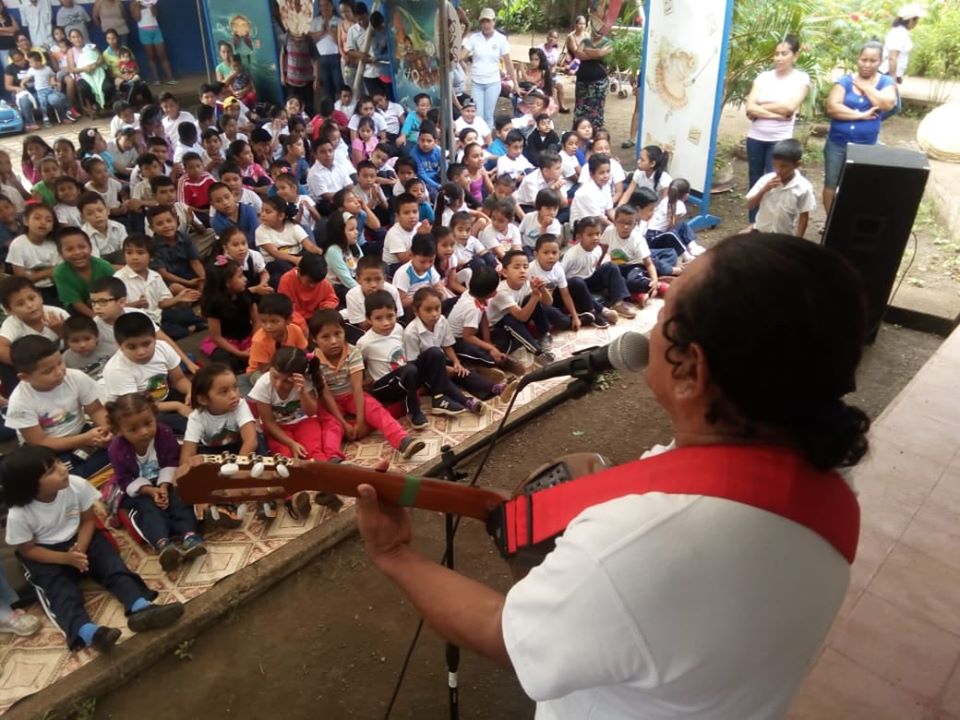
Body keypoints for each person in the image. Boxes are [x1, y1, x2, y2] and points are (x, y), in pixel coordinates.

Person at [355, 232, 869, 719]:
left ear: (691, 371)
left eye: (663, 316)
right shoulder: (828, 488)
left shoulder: (637, 545)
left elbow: (502, 630)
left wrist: (393, 554)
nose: (644, 333)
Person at [3, 445, 185, 652]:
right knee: (60, 590)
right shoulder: (19, 514)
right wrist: (66, 559)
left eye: (58, 463)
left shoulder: (76, 485)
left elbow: (89, 521)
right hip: (45, 553)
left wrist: (79, 549)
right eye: (51, 471)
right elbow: (28, 550)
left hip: (80, 537)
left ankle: (140, 606)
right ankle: (88, 632)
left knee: (112, 564)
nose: (62, 469)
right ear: (29, 486)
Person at [309, 309, 426, 461]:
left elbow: (357, 388)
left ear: (344, 332)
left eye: (337, 334)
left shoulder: (353, 352)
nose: (333, 341)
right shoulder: (313, 361)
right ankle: (332, 456)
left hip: (351, 394)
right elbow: (325, 394)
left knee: (376, 410)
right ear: (314, 339)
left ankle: (402, 440)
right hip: (328, 401)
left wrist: (360, 421)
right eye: (325, 336)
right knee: (331, 424)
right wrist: (344, 424)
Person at [106, 393, 206, 571]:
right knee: (147, 509)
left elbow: (171, 461)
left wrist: (164, 486)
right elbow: (124, 479)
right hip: (139, 488)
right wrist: (150, 491)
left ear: (154, 416)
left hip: (165, 479)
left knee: (181, 497)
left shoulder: (164, 432)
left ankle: (189, 535)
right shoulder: (116, 448)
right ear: (119, 430)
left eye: (148, 423)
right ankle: (162, 544)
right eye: (133, 429)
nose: (144, 432)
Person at [6, 334, 112, 477]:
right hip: (48, 449)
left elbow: (96, 410)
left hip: (83, 434)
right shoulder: (20, 401)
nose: (59, 371)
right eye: (48, 371)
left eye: (60, 362)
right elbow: (39, 442)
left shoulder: (74, 377)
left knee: (119, 446)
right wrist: (86, 439)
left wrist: (107, 431)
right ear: (25, 377)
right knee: (60, 475)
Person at [823, 41, 898, 214]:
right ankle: (830, 223)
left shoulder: (885, 81)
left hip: (865, 145)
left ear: (880, 62)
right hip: (837, 143)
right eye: (864, 59)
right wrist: (861, 115)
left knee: (858, 185)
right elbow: (832, 107)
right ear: (858, 59)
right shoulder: (845, 80)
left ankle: (849, 222)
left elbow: (887, 104)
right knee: (831, 182)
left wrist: (866, 87)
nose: (867, 64)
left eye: (873, 61)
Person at [744, 35, 810, 223]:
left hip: (779, 139)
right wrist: (776, 112)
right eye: (776, 54)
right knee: (756, 179)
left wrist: (762, 108)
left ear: (795, 56)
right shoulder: (763, 77)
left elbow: (790, 108)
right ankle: (753, 223)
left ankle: (771, 222)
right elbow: (750, 107)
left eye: (784, 53)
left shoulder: (801, 78)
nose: (779, 58)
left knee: (774, 179)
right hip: (756, 137)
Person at [746, 138, 816, 238]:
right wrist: (763, 190)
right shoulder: (765, 180)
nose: (778, 170)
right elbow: (749, 205)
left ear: (797, 164)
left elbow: (804, 217)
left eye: (784, 166)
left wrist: (798, 240)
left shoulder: (804, 187)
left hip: (784, 236)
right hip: (760, 232)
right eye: (774, 165)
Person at [462, 8, 518, 130]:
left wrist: (516, 84)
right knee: (477, 115)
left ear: (493, 21)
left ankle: (486, 143)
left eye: (488, 21)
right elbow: (462, 55)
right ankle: (477, 143)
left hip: (493, 82)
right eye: (483, 21)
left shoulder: (501, 39)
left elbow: (508, 63)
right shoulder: (474, 38)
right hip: (477, 82)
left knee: (488, 115)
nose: (485, 24)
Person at [571, 19, 611, 129]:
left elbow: (601, 53)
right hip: (582, 80)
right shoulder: (585, 41)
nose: (597, 31)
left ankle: (595, 132)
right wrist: (596, 53)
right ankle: (578, 131)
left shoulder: (608, 43)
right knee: (580, 107)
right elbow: (578, 54)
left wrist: (587, 51)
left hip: (599, 82)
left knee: (596, 108)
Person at [130, 0, 175, 84]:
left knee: (162, 55)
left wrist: (151, 5)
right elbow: (137, 18)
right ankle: (156, 79)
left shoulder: (151, 1)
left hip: (156, 30)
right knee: (150, 56)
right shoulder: (133, 4)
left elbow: (154, 14)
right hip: (143, 31)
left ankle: (170, 78)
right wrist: (138, 6)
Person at [881, 4, 926, 84]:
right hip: (887, 74)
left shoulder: (901, 33)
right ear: (911, 20)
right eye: (916, 20)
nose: (916, 23)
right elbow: (892, 57)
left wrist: (898, 76)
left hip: (890, 74)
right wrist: (892, 79)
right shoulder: (899, 33)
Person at [310, 0, 342, 101]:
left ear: (332, 6)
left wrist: (331, 31)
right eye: (321, 6)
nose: (324, 8)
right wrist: (322, 31)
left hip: (336, 57)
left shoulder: (339, 20)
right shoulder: (315, 21)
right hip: (321, 58)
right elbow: (311, 39)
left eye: (327, 5)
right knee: (326, 87)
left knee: (339, 84)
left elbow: (341, 41)